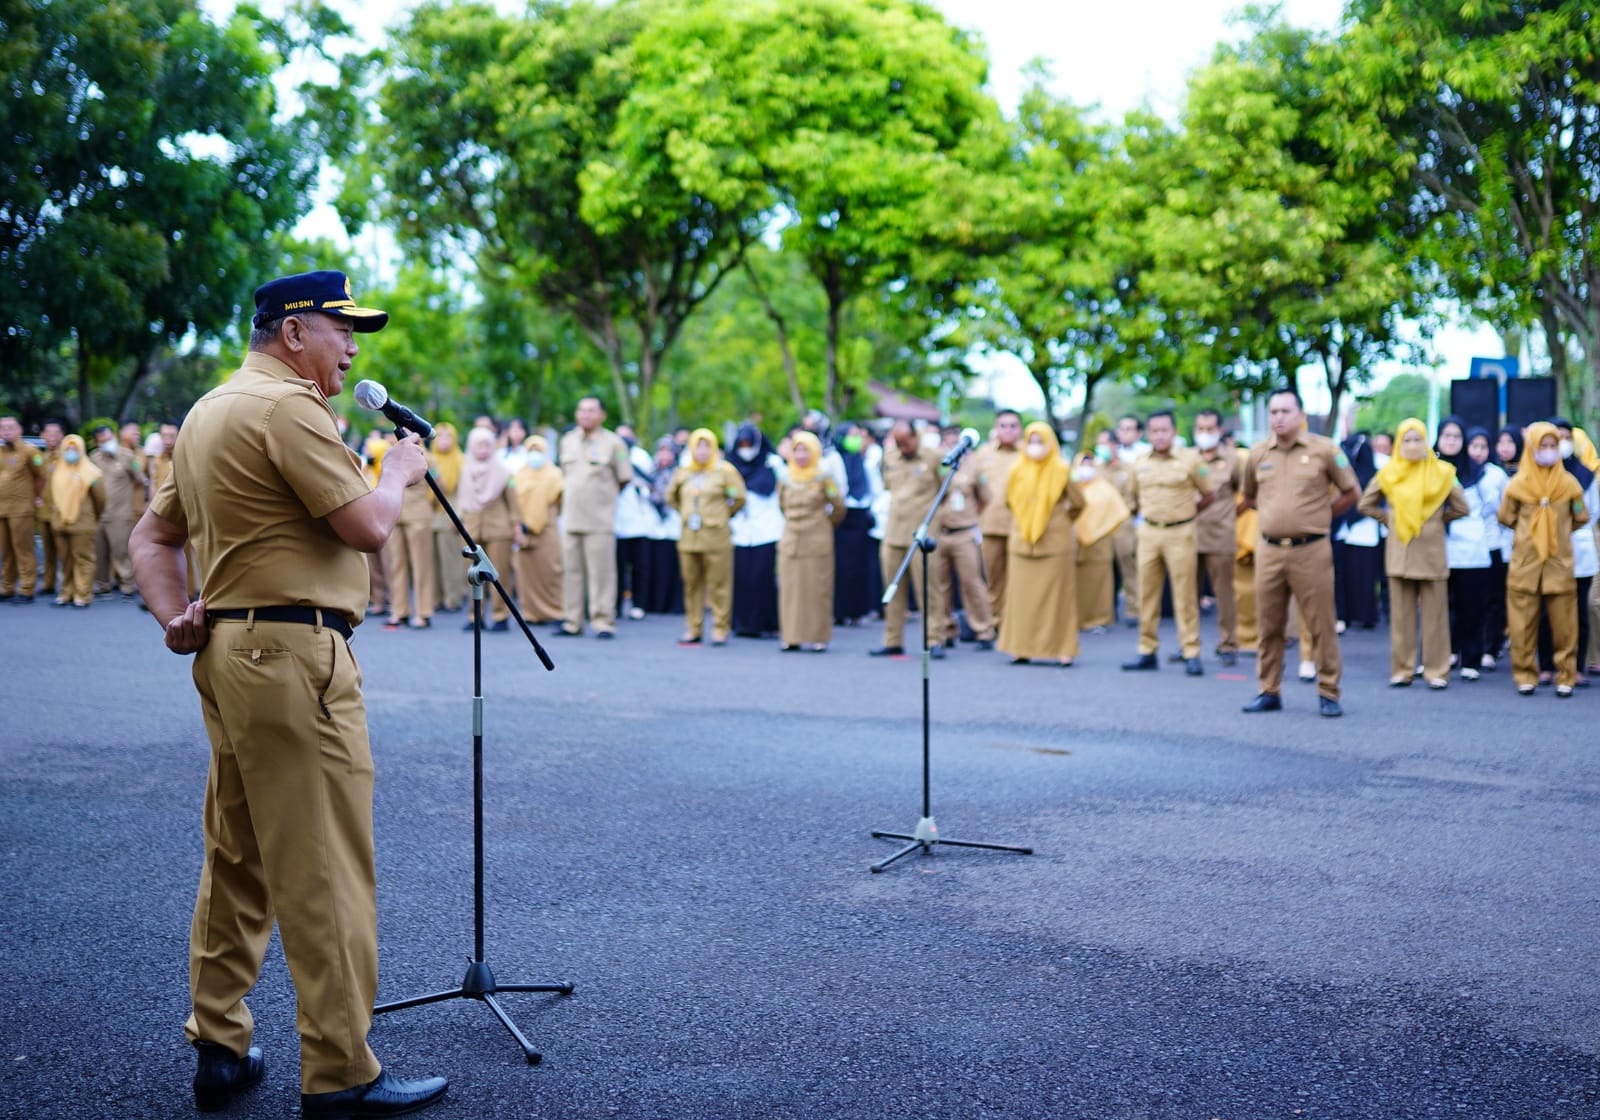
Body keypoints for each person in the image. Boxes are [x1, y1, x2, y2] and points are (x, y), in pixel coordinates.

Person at [127, 269, 447, 1118]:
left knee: (237, 855)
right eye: (343, 329)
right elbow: (368, 527)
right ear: (294, 329)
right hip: (295, 655)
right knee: (325, 865)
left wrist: (175, 619)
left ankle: (220, 1045)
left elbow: (151, 536)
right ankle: (342, 1071)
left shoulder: (208, 410)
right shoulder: (289, 406)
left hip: (233, 653)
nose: (352, 347)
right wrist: (399, 468)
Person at [1240, 388, 1361, 717]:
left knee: (1320, 622)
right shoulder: (1258, 453)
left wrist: (1321, 517)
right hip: (1269, 549)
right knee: (1269, 624)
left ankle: (1328, 691)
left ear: (1301, 415)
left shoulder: (1324, 450)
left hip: (1311, 549)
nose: (1278, 417)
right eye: (1273, 411)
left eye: (1285, 411)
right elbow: (1249, 497)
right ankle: (1269, 690)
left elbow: (1352, 493)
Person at [1357, 418, 1469, 689]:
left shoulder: (1443, 472)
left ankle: (1436, 671)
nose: (1412, 445)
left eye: (1417, 439)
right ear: (1398, 443)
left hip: (1431, 553)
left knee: (1435, 618)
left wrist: (1437, 521)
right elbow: (1366, 504)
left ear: (1426, 441)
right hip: (1401, 554)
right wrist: (1392, 521)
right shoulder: (1389, 473)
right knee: (1401, 618)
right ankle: (1402, 670)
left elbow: (1462, 507)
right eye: (1406, 440)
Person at [1498, 420, 1590, 697]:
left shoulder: (1569, 484)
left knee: (1565, 625)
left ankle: (1566, 675)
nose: (1549, 451)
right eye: (1544, 446)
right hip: (1526, 562)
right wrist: (1531, 534)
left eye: (1553, 446)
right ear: (1532, 448)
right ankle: (1525, 674)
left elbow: (1580, 516)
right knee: (1521, 624)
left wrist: (1557, 533)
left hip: (1558, 562)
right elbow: (1506, 516)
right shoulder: (1518, 484)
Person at [1122, 410, 1213, 676]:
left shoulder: (1190, 460)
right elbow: (1132, 498)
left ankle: (1191, 650)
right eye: (1154, 431)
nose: (1159, 435)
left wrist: (1188, 514)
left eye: (1164, 430)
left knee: (1184, 594)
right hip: (1149, 532)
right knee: (1147, 593)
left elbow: (1209, 494)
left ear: (1174, 432)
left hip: (1180, 532)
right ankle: (1146, 649)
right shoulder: (1139, 463)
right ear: (1147, 434)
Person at [997, 423, 1086, 666]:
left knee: (1058, 599)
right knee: (1021, 599)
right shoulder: (1017, 469)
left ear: (1051, 443)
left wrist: (1060, 521)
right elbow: (1008, 501)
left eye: (1041, 441)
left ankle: (1062, 649)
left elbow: (1078, 502)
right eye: (1031, 441)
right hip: (1022, 542)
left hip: (1054, 542)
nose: (1035, 447)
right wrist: (1027, 518)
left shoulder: (1061, 469)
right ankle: (1020, 648)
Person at [557, 396, 632, 638]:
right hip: (571, 518)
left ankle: (603, 622)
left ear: (602, 415)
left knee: (602, 573)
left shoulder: (614, 443)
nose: (585, 415)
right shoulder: (568, 440)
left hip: (599, 519)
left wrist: (602, 498)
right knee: (571, 571)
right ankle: (572, 621)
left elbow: (624, 477)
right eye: (581, 410)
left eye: (591, 410)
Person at [871, 420, 948, 658]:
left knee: (928, 589)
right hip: (893, 532)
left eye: (906, 442)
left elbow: (946, 490)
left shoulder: (934, 457)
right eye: (898, 443)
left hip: (923, 534)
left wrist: (933, 523)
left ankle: (935, 639)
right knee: (892, 589)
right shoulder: (890, 456)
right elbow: (886, 486)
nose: (903, 447)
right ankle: (892, 640)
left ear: (917, 437)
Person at [1437, 420, 1504, 680]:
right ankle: (1443, 654)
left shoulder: (1481, 474)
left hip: (1471, 548)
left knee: (1471, 607)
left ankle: (1471, 657)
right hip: (1437, 548)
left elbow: (1491, 509)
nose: (1452, 441)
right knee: (1440, 606)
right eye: (1446, 435)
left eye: (1456, 436)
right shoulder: (1429, 468)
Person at [668, 428, 747, 644]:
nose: (702, 451)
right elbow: (671, 498)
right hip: (689, 537)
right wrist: (686, 514)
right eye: (698, 446)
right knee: (691, 584)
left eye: (706, 446)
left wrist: (722, 516)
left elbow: (739, 498)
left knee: (719, 584)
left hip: (716, 536)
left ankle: (720, 628)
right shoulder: (684, 472)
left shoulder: (725, 471)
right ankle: (694, 627)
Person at [1539, 418, 1598, 686]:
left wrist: (1567, 529)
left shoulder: (1586, 475)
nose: (1559, 444)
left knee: (1579, 610)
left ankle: (1576, 666)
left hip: (1580, 548)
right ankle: (1547, 664)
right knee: (1546, 608)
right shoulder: (1537, 474)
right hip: (1546, 550)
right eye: (1554, 438)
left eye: (1565, 438)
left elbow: (1591, 512)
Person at [777, 432, 846, 651]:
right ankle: (791, 636)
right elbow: (781, 506)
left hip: (817, 539)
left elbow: (838, 507)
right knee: (790, 590)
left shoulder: (824, 477)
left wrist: (824, 525)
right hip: (791, 540)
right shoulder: (785, 477)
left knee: (818, 590)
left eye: (805, 450)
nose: (800, 455)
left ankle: (818, 637)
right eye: (797, 450)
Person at [934, 424, 996, 650]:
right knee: (940, 585)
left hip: (964, 532)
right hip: (940, 532)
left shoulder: (974, 465)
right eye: (948, 439)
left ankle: (983, 630)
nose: (952, 444)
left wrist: (972, 517)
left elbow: (985, 497)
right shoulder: (939, 463)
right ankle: (946, 629)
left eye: (956, 439)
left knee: (972, 582)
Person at [455, 426, 521, 631]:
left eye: (487, 445)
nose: (482, 449)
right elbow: (460, 503)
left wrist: (516, 527)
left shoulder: (504, 473)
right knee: (473, 575)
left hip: (499, 530)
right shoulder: (465, 471)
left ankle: (500, 616)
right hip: (472, 530)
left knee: (498, 574)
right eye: (478, 445)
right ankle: (476, 616)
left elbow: (514, 504)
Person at [728, 422, 784, 638]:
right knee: (741, 577)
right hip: (739, 531)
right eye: (741, 444)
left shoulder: (772, 464)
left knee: (762, 577)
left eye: (749, 444)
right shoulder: (730, 466)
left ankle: (766, 623)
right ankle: (742, 624)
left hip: (766, 529)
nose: (746, 449)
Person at [1193, 409, 1240, 665]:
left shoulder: (1233, 459)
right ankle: (1189, 644)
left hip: (1220, 535)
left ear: (1220, 431)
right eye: (1200, 428)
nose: (1205, 434)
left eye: (1210, 429)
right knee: (1188, 595)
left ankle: (1228, 644)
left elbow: (1247, 494)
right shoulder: (1188, 458)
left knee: (1223, 594)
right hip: (1189, 535)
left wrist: (1231, 514)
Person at [381, 427, 437, 630]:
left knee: (421, 565)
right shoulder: (391, 455)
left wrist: (425, 504)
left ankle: (423, 612)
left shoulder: (428, 458)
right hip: (396, 514)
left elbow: (441, 487)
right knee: (397, 565)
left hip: (419, 515)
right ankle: (399, 610)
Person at [973, 410, 1022, 629]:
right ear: (996, 428)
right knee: (993, 578)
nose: (1008, 430)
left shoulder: (1027, 455)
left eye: (1013, 426)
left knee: (1018, 579)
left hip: (1019, 526)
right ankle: (995, 621)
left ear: (1020, 429)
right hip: (990, 524)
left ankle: (1015, 625)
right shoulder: (983, 454)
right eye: (1003, 425)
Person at [1071, 453, 1130, 632]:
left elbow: (1118, 512)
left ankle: (1099, 619)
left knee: (1099, 583)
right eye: (1083, 464)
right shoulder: (1072, 488)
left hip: (1100, 543)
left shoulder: (1105, 488)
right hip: (1075, 542)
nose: (1086, 468)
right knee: (1075, 583)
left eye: (1090, 464)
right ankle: (1076, 618)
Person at [831, 421, 882, 624]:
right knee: (842, 566)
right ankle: (840, 611)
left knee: (860, 566)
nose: (856, 439)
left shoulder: (863, 460)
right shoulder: (834, 459)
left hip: (861, 515)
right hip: (843, 516)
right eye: (851, 435)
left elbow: (873, 489)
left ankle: (857, 611)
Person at [46, 434, 103, 608]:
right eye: (67, 449)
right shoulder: (56, 470)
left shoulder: (92, 472)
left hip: (82, 523)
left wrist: (92, 516)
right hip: (60, 522)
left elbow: (100, 500)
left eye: (75, 449)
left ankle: (83, 594)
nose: (71, 452)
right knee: (66, 560)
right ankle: (66, 593)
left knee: (83, 558)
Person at [512, 434, 565, 623]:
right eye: (531, 451)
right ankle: (531, 613)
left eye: (538, 451)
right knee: (526, 574)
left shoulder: (555, 474)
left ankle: (555, 611)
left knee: (550, 571)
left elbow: (559, 500)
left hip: (547, 529)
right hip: (523, 530)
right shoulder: (519, 474)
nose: (535, 455)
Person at [89, 422, 145, 599]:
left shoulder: (127, 456)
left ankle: (127, 584)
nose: (106, 443)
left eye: (108, 439)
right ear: (97, 442)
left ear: (114, 436)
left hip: (120, 513)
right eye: (102, 441)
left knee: (120, 550)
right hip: (99, 513)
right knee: (100, 551)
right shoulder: (94, 458)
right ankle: (103, 583)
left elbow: (140, 479)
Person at [0, 414, 46, 603]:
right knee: (6, 551)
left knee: (23, 549)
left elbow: (42, 477)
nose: (6, 431)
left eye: (10, 427)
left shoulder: (30, 451)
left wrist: (36, 497)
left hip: (21, 508)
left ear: (19, 430)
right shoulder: (1, 451)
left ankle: (27, 588)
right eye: (2, 428)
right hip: (2, 509)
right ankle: (7, 587)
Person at [639, 436, 685, 615]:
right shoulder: (652, 472)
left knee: (671, 564)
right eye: (661, 451)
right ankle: (654, 603)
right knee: (654, 563)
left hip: (672, 524)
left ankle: (671, 604)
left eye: (668, 451)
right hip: (654, 524)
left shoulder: (680, 473)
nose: (664, 455)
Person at [425, 422, 468, 614]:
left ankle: (453, 597)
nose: (443, 440)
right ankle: (436, 598)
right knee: (432, 561)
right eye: (439, 436)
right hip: (430, 514)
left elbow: (464, 493)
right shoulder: (429, 459)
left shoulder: (461, 460)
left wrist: (459, 517)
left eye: (447, 436)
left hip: (450, 514)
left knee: (451, 559)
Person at [1108, 415, 1145, 625]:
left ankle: (1135, 607)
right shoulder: (1112, 457)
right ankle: (1108, 608)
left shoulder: (1144, 455)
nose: (1125, 433)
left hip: (1131, 520)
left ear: (1139, 432)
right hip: (1108, 523)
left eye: (1130, 429)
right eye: (1122, 429)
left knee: (1129, 565)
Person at [36, 418, 65, 598]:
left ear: (62, 435)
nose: (52, 437)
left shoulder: (67, 456)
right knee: (48, 551)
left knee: (64, 551)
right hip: (44, 511)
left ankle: (66, 585)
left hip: (61, 511)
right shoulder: (40, 458)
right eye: (48, 433)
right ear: (42, 436)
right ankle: (48, 583)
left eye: (56, 433)